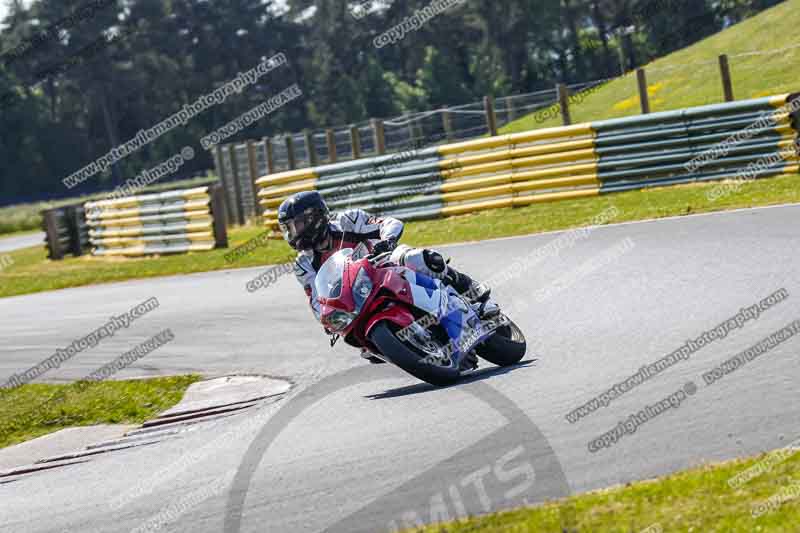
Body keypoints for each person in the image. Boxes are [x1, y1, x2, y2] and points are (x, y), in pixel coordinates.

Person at [277, 191, 497, 361]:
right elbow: (316, 300)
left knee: (420, 258)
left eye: (297, 225)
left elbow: (389, 223)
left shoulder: (348, 221)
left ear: (315, 217)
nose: (293, 233)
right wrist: (327, 318)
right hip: (357, 298)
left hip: (385, 266)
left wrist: (387, 241)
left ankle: (474, 296)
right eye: (288, 228)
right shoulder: (303, 264)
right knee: (365, 349)